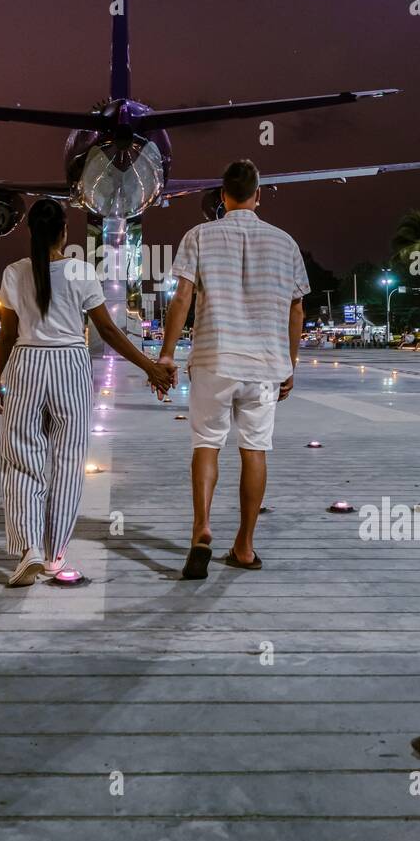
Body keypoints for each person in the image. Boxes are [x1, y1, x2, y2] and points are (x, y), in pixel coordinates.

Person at [0, 198, 173, 587]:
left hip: (26, 364)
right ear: (64, 232)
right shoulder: (81, 271)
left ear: (30, 232)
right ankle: (55, 555)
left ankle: (29, 550)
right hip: (71, 367)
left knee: (21, 460)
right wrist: (150, 367)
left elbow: (6, 335)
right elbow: (108, 331)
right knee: (69, 462)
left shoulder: (13, 272)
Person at [158, 158, 309, 579]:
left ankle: (201, 527)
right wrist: (290, 365)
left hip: (213, 359)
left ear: (221, 197)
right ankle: (244, 546)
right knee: (254, 449)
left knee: (206, 443)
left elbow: (181, 297)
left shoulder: (199, 236)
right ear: (258, 195)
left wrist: (167, 354)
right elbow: (297, 309)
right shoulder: (285, 243)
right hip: (264, 365)